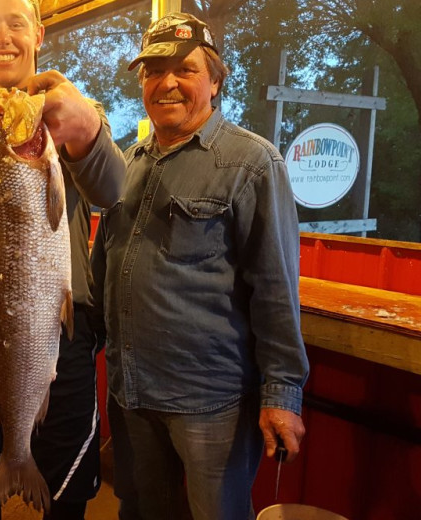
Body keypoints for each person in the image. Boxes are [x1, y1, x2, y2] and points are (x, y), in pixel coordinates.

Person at [90, 12, 310, 520]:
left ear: (214, 80)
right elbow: (107, 268)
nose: (165, 82)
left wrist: (281, 393)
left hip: (212, 403)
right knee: (143, 511)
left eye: (184, 69)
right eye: (152, 70)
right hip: (132, 391)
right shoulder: (129, 163)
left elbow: (275, 288)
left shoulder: (253, 163)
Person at [0, 0, 125, 518]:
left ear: (38, 33)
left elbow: (116, 189)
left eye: (15, 22)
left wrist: (87, 129)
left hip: (60, 328)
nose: (2, 36)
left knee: (68, 497)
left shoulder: (76, 117)